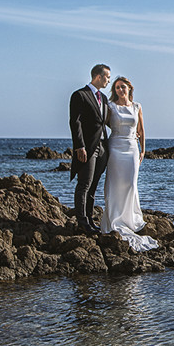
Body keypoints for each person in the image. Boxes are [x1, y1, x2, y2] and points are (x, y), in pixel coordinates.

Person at [100, 75, 159, 251]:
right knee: (115, 184)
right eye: (117, 87)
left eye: (123, 87)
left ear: (129, 88)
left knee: (131, 184)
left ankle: (130, 219)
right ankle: (115, 219)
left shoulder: (137, 107)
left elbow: (141, 129)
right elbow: (102, 125)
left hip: (132, 148)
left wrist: (143, 150)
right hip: (115, 147)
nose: (120, 90)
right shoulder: (110, 107)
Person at [69, 64, 111, 233]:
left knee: (93, 186)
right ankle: (82, 222)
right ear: (98, 77)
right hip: (87, 147)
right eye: (107, 77)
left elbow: (106, 121)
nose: (109, 80)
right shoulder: (80, 95)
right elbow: (75, 122)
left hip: (102, 147)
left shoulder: (105, 99)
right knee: (84, 184)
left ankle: (90, 219)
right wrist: (79, 146)